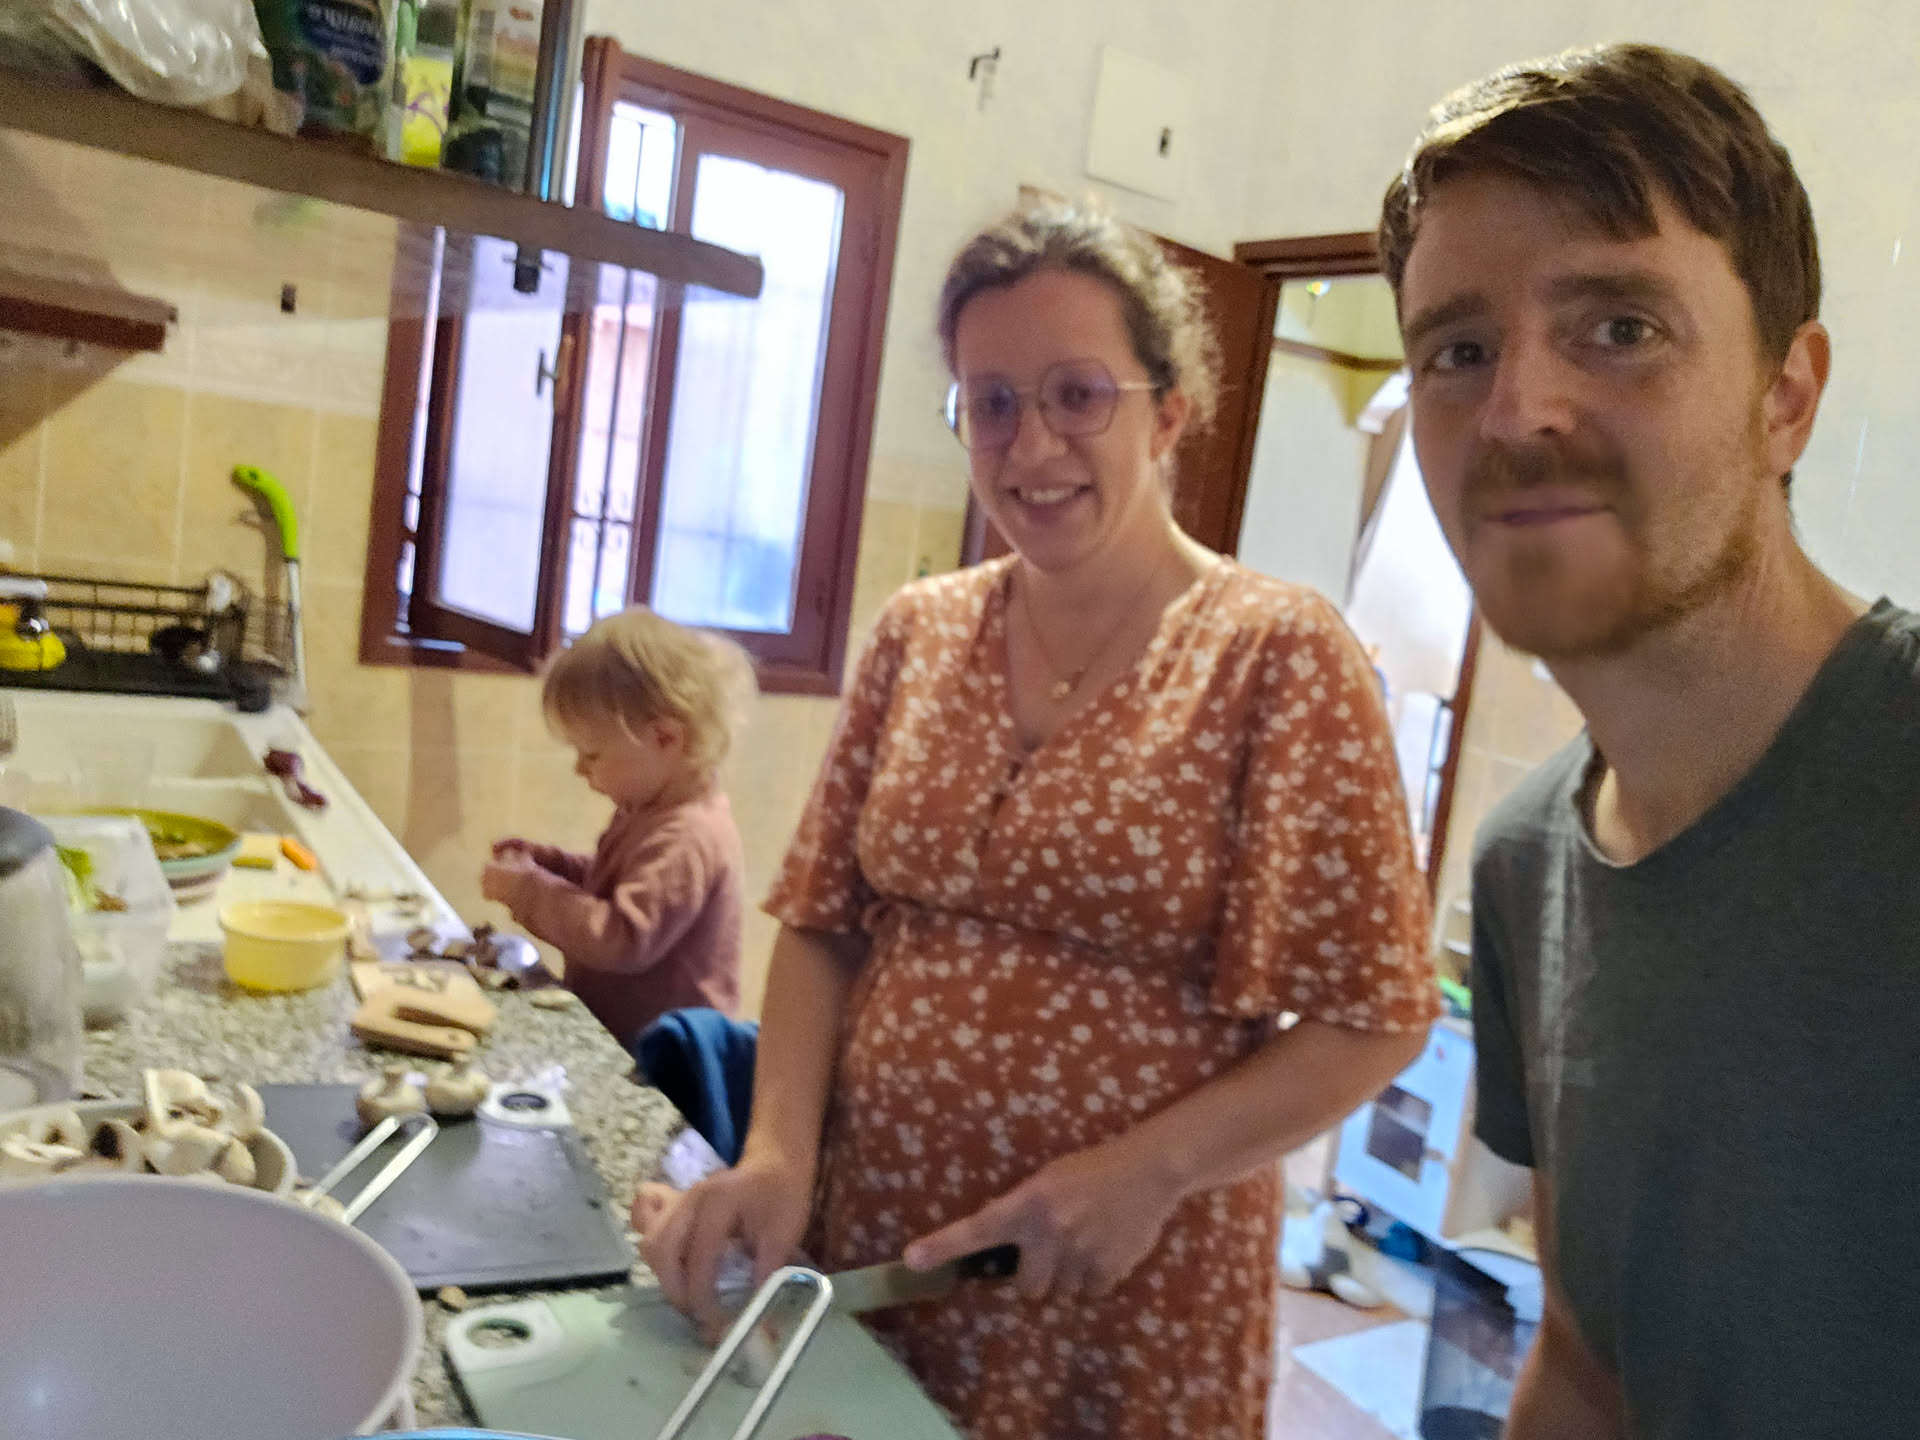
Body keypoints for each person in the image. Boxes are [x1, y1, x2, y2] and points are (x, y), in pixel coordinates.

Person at [641, 202, 1439, 1439]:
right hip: (879, 1243)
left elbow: (1377, 1016)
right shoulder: (919, 631)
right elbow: (822, 922)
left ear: (1168, 412)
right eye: (993, 402)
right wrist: (778, 1150)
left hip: (1123, 1289)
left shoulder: (1278, 656)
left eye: (1079, 395)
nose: (1032, 444)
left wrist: (1148, 1169)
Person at [1380, 43, 1920, 1440]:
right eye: (1458, 351)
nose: (1518, 413)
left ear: (1786, 396)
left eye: (1620, 326)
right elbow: (1586, 1361)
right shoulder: (1524, 868)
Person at [482, 606, 749, 1049]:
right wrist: (552, 865)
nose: (580, 769)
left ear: (665, 738)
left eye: (592, 754)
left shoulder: (688, 837)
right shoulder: (649, 810)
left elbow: (621, 938)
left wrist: (529, 892)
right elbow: (617, 883)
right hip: (625, 1044)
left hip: (668, 1066)